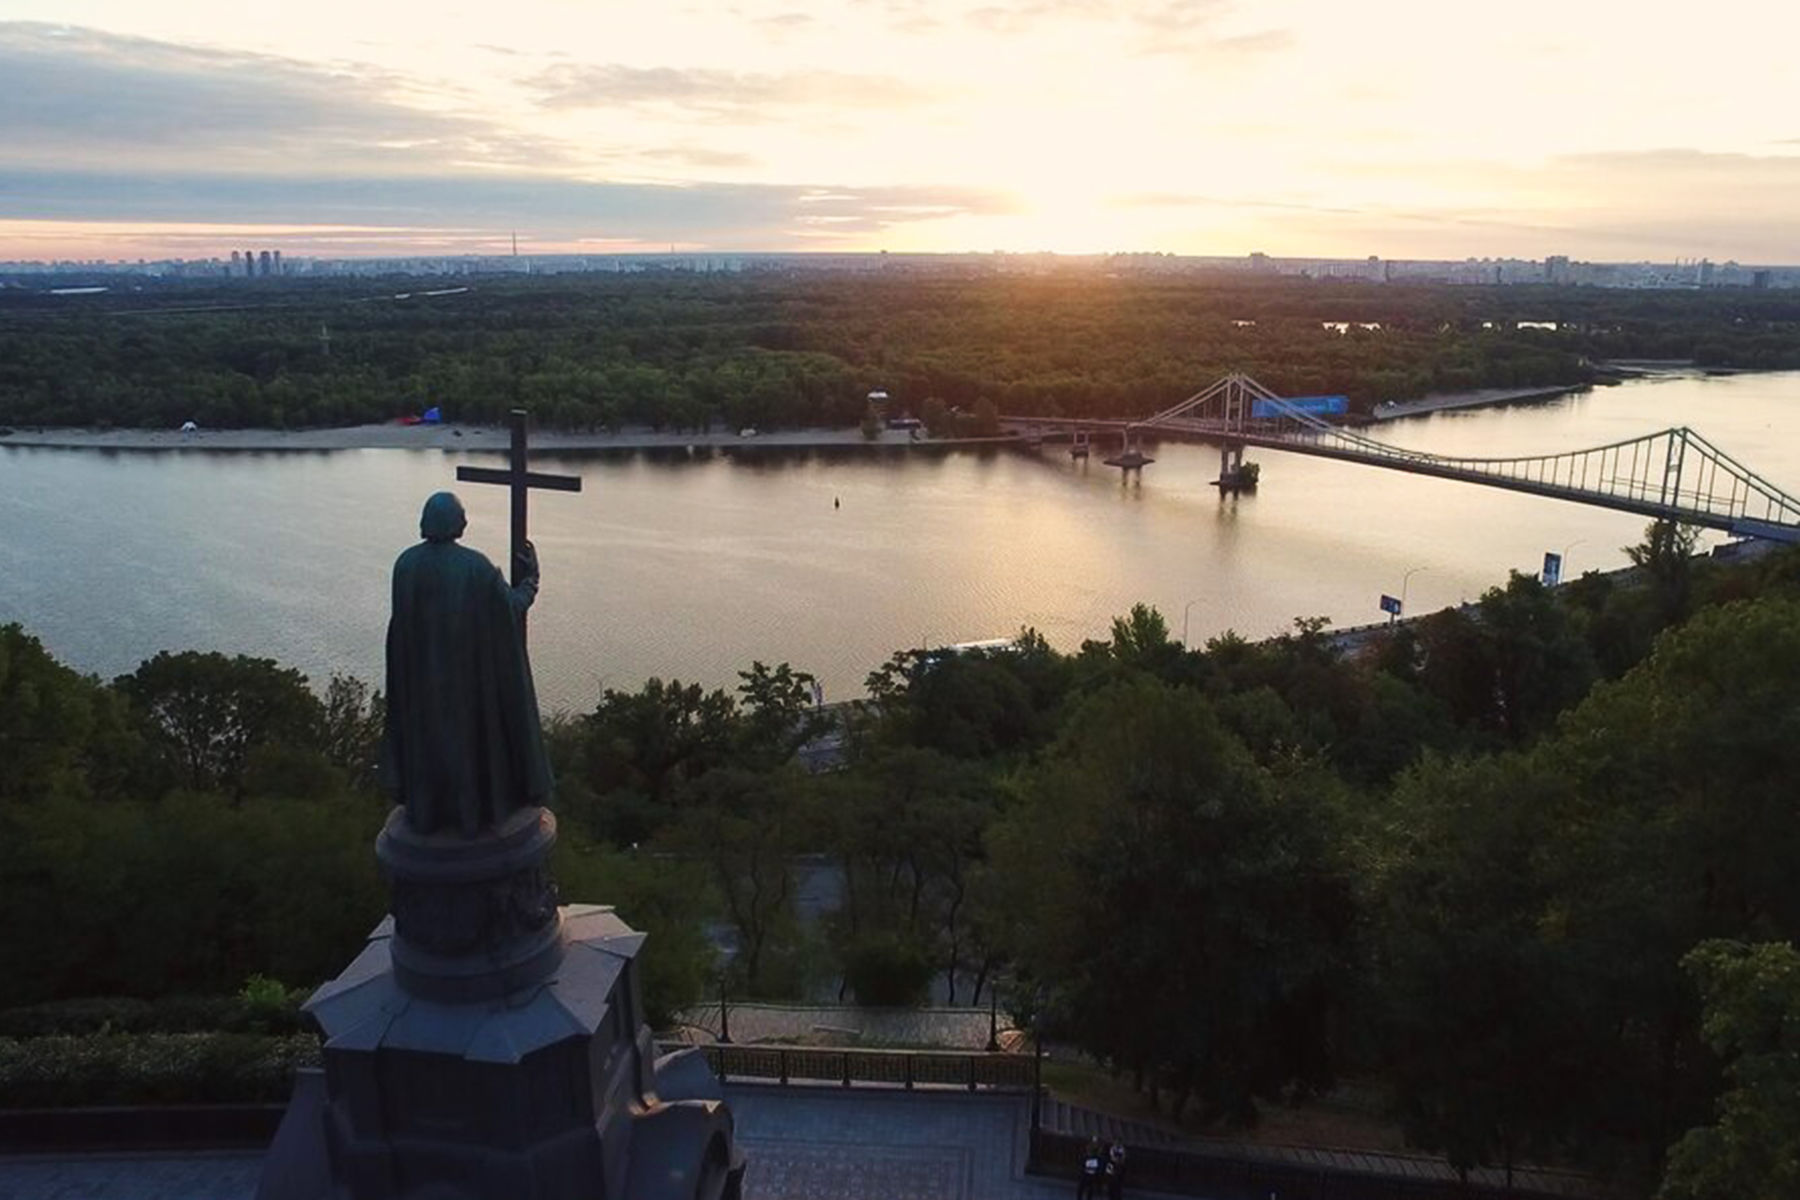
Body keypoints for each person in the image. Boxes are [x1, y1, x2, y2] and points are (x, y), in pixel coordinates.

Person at [379, 491, 552, 837]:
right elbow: (512, 607)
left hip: (422, 687)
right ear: (457, 522)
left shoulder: (405, 565)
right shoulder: (476, 568)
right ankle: (472, 817)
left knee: (429, 744)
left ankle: (427, 812)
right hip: (467, 689)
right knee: (470, 746)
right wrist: (532, 579)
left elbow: (403, 630)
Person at [1076, 1135, 1104, 1200]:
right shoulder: (1088, 1148)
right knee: (1081, 1188)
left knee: (1090, 1190)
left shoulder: (1098, 1152)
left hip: (1092, 1174)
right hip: (1085, 1173)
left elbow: (1099, 1158)